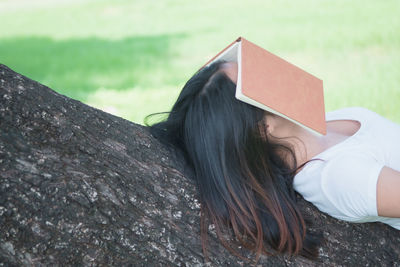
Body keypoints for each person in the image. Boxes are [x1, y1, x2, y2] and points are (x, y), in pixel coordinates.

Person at [144, 60, 400, 263]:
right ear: (262, 128)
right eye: (254, 81)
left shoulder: (317, 126)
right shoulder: (340, 176)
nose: (269, 69)